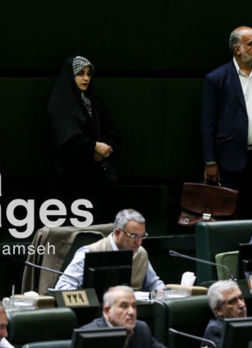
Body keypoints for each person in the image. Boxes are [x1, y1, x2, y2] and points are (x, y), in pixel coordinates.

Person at [201, 26, 252, 219]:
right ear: (237, 49)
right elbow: (208, 124)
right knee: (230, 215)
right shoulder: (216, 78)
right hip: (230, 159)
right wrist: (210, 161)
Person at [47, 56, 118, 213]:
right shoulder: (60, 104)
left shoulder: (94, 104)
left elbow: (109, 132)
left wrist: (105, 148)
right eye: (80, 73)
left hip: (94, 179)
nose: (85, 78)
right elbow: (67, 138)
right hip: (68, 181)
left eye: (88, 74)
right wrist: (94, 146)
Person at [54, 209, 165, 293]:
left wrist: (161, 291)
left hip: (136, 311)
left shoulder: (140, 253)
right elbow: (63, 287)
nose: (139, 242)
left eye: (142, 236)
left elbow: (154, 283)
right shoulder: (90, 252)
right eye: (133, 236)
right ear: (117, 232)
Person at [81, 286, 165, 348]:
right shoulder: (88, 336)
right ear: (107, 311)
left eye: (134, 306)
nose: (131, 312)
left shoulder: (141, 329)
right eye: (124, 306)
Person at [203, 280, 248, 348]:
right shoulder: (215, 330)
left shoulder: (247, 323)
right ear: (219, 310)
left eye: (241, 298)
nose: (242, 305)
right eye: (232, 301)